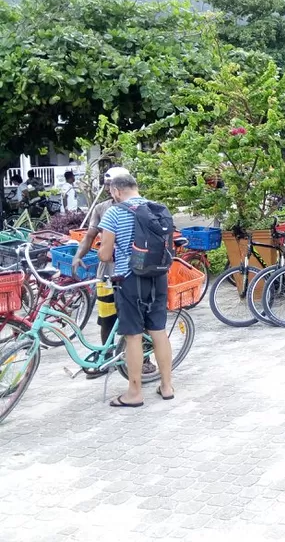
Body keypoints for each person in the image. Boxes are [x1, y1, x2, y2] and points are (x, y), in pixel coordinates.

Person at [97, 170, 173, 407]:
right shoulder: (158, 209)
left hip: (129, 280)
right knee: (159, 331)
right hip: (159, 276)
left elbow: (106, 254)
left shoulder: (113, 213)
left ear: (117, 191)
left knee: (133, 336)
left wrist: (101, 252)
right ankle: (167, 386)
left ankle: (134, 393)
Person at [73, 168, 157, 379]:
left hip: (133, 273)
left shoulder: (141, 208)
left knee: (138, 320)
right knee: (106, 318)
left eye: (112, 185)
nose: (109, 189)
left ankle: (144, 360)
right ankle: (106, 358)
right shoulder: (102, 209)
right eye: (107, 185)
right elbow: (90, 235)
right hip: (108, 274)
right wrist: (78, 255)